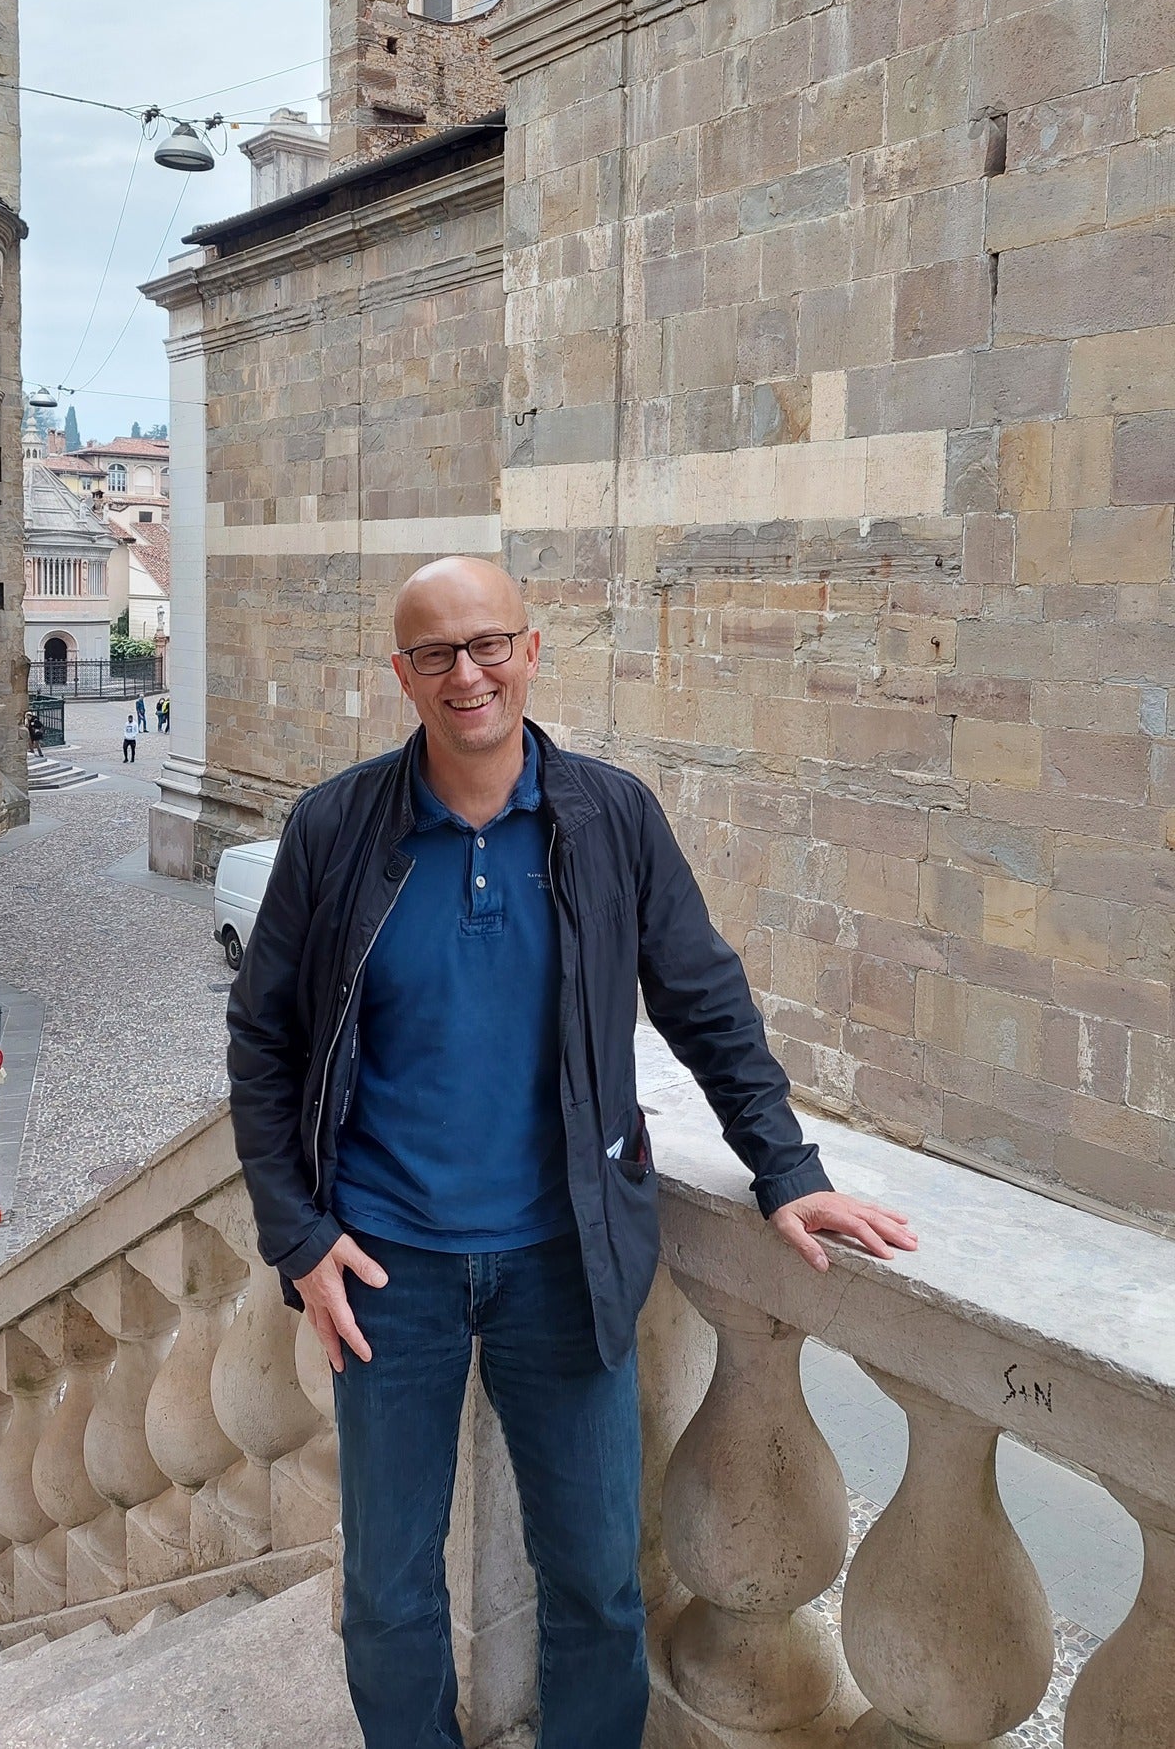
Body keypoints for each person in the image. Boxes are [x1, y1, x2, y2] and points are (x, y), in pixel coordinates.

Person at [227, 557, 916, 1749]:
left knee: (597, 1584)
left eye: (489, 642)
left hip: (569, 1257)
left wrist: (788, 1171)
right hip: (385, 1266)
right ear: (402, 674)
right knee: (391, 1591)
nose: (467, 672)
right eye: (435, 652)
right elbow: (265, 1038)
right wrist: (299, 1232)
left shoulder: (610, 817)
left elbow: (705, 1001)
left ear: (531, 651)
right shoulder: (336, 826)